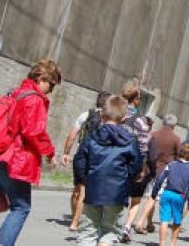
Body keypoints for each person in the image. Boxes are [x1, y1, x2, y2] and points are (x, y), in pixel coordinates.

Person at [0, 59, 61, 246]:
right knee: (21, 207)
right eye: (52, 84)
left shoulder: (14, 93)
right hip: (13, 161)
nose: (51, 90)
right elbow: (34, 131)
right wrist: (50, 153)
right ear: (43, 78)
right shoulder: (34, 99)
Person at [73, 95, 142, 246]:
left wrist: (84, 179)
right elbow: (136, 165)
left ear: (102, 115)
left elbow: (79, 161)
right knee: (109, 231)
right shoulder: (130, 141)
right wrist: (126, 180)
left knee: (88, 230)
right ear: (124, 118)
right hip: (117, 191)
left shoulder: (92, 137)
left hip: (93, 187)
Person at [61, 90, 111, 231]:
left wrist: (65, 153)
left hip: (80, 154)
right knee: (84, 190)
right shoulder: (106, 119)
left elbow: (72, 135)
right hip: (95, 157)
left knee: (77, 189)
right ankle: (76, 222)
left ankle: (73, 216)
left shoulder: (85, 115)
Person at [135, 114, 181, 234]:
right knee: (153, 197)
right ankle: (141, 222)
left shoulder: (153, 134)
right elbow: (178, 158)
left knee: (151, 196)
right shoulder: (176, 139)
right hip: (164, 172)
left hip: (150, 169)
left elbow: (146, 151)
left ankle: (149, 224)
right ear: (174, 126)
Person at [119, 80, 152, 242]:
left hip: (110, 161)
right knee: (135, 199)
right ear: (136, 99)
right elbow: (144, 146)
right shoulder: (140, 120)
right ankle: (126, 227)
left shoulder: (113, 114)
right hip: (131, 164)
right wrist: (143, 168)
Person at [151, 143, 189, 246]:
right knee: (177, 221)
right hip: (179, 196)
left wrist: (155, 192)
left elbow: (160, 179)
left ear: (180, 153)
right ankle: (173, 243)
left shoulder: (171, 164)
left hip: (167, 193)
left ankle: (162, 243)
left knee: (164, 220)